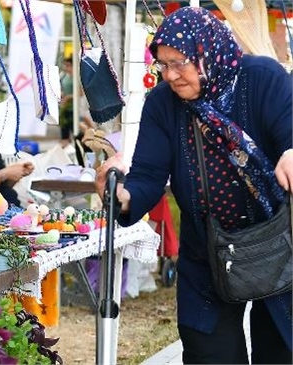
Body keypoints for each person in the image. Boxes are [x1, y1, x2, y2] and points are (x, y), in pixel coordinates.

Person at [94, 7, 292, 364]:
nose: (170, 75)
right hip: (208, 253)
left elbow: (289, 131)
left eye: (180, 62)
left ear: (209, 51)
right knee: (208, 352)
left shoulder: (263, 78)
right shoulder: (162, 105)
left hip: (279, 244)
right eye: (163, 64)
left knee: (280, 350)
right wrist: (121, 195)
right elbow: (148, 176)